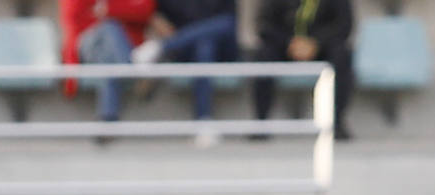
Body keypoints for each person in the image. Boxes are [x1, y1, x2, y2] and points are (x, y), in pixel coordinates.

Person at [130, 0, 241, 144]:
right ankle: (203, 121)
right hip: (189, 50)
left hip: (224, 49)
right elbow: (154, 13)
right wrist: (157, 20)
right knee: (204, 47)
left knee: (225, 23)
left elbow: (229, 22)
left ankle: (161, 47)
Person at [251, 0, 355, 141]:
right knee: (263, 54)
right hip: (285, 47)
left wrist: (316, 43)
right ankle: (261, 123)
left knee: (342, 55)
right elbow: (264, 24)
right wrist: (290, 43)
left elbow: (343, 25)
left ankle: (336, 122)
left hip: (322, 48)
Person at [61, 0, 157, 125]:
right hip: (89, 46)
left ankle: (107, 119)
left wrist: (109, 10)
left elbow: (144, 11)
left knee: (109, 61)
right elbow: (72, 28)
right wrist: (71, 74)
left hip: (115, 53)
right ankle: (133, 70)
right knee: (110, 26)